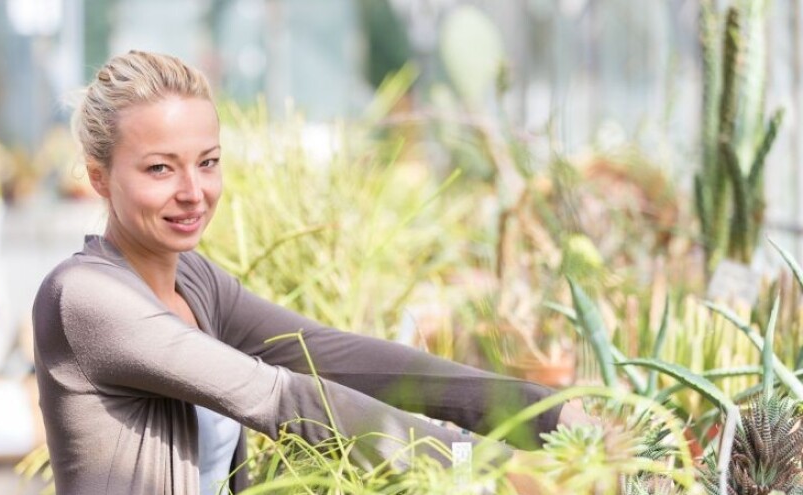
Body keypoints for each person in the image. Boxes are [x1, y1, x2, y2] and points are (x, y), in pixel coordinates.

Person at [33, 50, 590, 495]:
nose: (193, 192)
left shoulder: (196, 282)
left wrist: (545, 410)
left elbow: (348, 361)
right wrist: (489, 472)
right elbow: (282, 398)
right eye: (160, 168)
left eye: (208, 162)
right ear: (99, 178)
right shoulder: (84, 297)